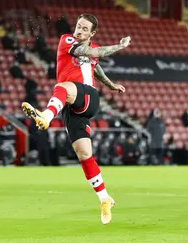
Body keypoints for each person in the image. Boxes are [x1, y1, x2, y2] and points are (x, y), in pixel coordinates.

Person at [21, 13, 131, 224]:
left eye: (83, 29)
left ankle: (45, 115)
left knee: (62, 87)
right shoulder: (67, 40)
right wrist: (117, 53)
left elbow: (95, 62)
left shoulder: (90, 47)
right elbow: (93, 57)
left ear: (92, 33)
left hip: (89, 97)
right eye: (78, 27)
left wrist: (109, 84)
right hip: (71, 105)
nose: (78, 31)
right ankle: (105, 198)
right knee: (84, 154)